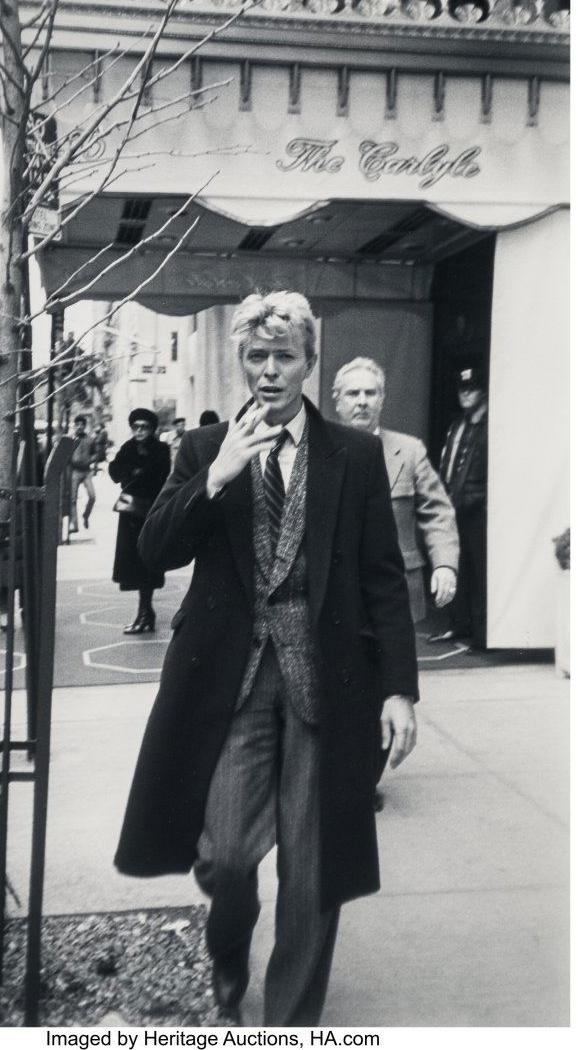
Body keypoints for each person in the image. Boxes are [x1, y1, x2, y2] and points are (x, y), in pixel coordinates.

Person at [114, 291, 418, 1027]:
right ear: (242, 363)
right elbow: (155, 551)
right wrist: (215, 475)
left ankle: (290, 1023)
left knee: (314, 871)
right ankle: (227, 956)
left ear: (311, 362)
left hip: (329, 685)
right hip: (231, 684)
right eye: (257, 357)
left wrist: (400, 690)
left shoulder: (354, 454)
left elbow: (382, 574)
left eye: (285, 357)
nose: (270, 371)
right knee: (224, 856)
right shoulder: (201, 448)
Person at [332, 357, 459, 624]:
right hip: (337, 590)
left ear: (382, 399)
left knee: (396, 665)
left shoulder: (409, 451)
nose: (362, 401)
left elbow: (438, 513)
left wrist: (445, 564)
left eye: (371, 393)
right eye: (353, 393)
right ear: (338, 401)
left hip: (396, 589)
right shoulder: (318, 451)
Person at [430, 366, 488, 651]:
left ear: (483, 391)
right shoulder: (458, 425)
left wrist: (476, 497)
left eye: (472, 388)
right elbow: (448, 465)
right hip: (455, 507)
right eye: (462, 389)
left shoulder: (491, 426)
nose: (466, 393)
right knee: (458, 566)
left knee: (479, 570)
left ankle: (482, 635)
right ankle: (459, 624)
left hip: (478, 510)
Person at [108, 408, 170, 634]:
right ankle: (145, 613)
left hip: (151, 514)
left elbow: (160, 477)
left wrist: (135, 472)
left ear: (152, 429)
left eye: (144, 427)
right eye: (135, 426)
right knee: (134, 564)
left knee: (148, 563)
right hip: (130, 516)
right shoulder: (128, 448)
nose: (139, 431)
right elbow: (114, 471)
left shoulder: (160, 449)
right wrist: (134, 471)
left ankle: (145, 613)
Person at [69, 415, 96, 533]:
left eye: (82, 424)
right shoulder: (70, 439)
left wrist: (90, 460)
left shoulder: (90, 439)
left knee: (92, 496)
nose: (80, 426)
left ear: (85, 426)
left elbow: (95, 453)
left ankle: (86, 515)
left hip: (86, 471)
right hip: (74, 471)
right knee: (73, 499)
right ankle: (75, 525)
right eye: (78, 424)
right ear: (75, 425)